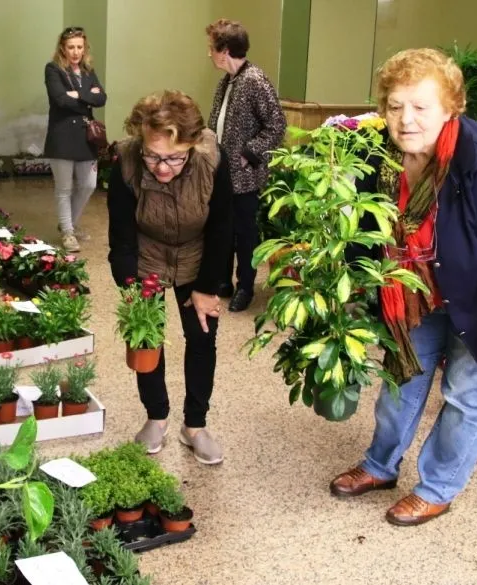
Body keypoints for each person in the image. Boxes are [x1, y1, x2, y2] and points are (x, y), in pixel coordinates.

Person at [330, 48, 477, 526]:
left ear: (451, 107)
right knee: (400, 381)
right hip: (419, 289)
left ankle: (437, 488)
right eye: (395, 106)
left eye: (421, 106)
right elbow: (366, 229)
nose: (406, 119)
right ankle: (380, 465)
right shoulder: (380, 155)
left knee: (466, 397)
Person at [107, 90, 234, 465]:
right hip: (146, 254)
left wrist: (208, 287)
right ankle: (156, 417)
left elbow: (223, 227)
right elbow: (121, 234)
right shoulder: (128, 160)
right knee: (147, 340)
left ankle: (194, 426)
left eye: (175, 158)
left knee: (201, 336)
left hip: (196, 256)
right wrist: (132, 289)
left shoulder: (211, 158)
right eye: (154, 156)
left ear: (192, 145)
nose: (162, 168)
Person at [205, 19, 285, 312]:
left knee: (245, 235)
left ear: (224, 50)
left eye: (211, 48)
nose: (209, 54)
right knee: (222, 230)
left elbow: (276, 125)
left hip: (245, 176)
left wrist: (249, 153)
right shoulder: (226, 81)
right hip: (222, 173)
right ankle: (223, 281)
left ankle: (246, 287)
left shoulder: (255, 80)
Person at [43, 26, 107, 253]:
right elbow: (60, 100)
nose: (75, 52)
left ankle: (66, 223)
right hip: (62, 137)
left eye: (79, 47)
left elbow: (102, 99)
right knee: (64, 189)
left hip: (86, 137)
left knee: (88, 184)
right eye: (71, 47)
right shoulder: (53, 69)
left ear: (84, 48)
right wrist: (88, 97)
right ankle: (69, 232)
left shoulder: (88, 71)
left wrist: (79, 95)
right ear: (63, 48)